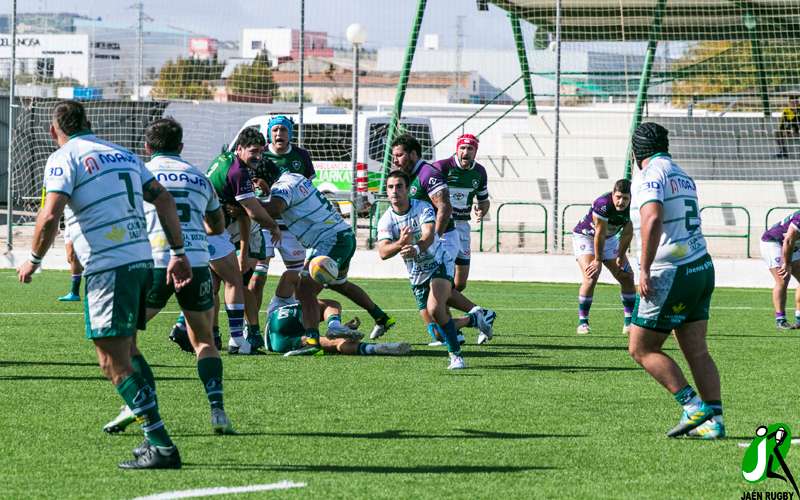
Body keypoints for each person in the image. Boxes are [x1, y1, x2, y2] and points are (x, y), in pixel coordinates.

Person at [17, 100, 189, 468]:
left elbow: (50, 214)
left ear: (54, 131)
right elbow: (164, 200)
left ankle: (161, 444)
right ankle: (152, 440)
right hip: (142, 260)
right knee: (129, 350)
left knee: (111, 361)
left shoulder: (65, 157)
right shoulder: (122, 153)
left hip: (109, 265)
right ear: (89, 123)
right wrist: (178, 250)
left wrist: (32, 260)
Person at [102, 118, 235, 437]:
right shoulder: (199, 177)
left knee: (126, 339)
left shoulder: (138, 173)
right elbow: (218, 225)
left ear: (147, 147)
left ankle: (136, 404)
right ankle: (217, 410)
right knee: (203, 339)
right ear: (181, 147)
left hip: (153, 262)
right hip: (198, 262)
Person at [257, 116, 396, 339]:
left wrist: (247, 204)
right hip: (340, 235)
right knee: (339, 284)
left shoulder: (282, 186)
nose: (256, 186)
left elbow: (274, 208)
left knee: (304, 289)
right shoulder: (294, 177)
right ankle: (381, 317)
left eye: (256, 182)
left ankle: (312, 339)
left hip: (330, 240)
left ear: (263, 180)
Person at [628, 122, 724, 439]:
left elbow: (652, 217)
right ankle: (715, 423)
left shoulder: (649, 175)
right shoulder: (682, 173)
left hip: (672, 270)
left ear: (636, 151)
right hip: (701, 266)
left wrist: (643, 268)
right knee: (697, 350)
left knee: (641, 348)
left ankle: (693, 406)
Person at [169, 127, 280, 355]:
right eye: (253, 151)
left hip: (202, 226)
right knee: (234, 281)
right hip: (212, 229)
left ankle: (195, 329)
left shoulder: (224, 159)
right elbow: (252, 212)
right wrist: (273, 225)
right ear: (239, 148)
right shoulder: (239, 172)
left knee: (213, 284)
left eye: (261, 152)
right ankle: (237, 340)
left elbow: (242, 213)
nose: (258, 156)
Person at [390, 133, 496, 345]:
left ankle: (478, 316)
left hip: (444, 237)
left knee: (444, 286)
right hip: (431, 239)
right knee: (436, 299)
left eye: (399, 155)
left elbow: (444, 206)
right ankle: (462, 327)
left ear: (412, 154)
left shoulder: (428, 172)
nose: (395, 160)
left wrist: (434, 237)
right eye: (394, 156)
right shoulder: (411, 175)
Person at [378, 170, 484, 370]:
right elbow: (383, 252)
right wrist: (400, 243)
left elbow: (428, 235)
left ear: (408, 189)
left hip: (438, 262)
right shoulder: (386, 219)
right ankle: (474, 318)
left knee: (436, 309)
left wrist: (416, 247)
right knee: (435, 330)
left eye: (399, 186)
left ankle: (456, 356)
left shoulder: (423, 207)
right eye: (390, 187)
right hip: (417, 273)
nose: (395, 191)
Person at [571, 179, 636, 335]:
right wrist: (598, 260)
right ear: (613, 194)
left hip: (610, 239)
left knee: (627, 276)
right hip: (586, 237)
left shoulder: (635, 206)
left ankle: (629, 323)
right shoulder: (603, 204)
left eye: (625, 198)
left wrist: (620, 255)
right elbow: (599, 234)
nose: (621, 202)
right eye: (618, 197)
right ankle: (583, 323)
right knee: (591, 275)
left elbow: (627, 233)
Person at [434, 134, 490, 293]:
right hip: (444, 227)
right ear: (457, 150)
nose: (466, 152)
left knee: (460, 283)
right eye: (462, 148)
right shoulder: (443, 167)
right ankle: (438, 310)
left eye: (470, 148)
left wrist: (481, 210)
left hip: (463, 227)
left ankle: (442, 306)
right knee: (443, 276)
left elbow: (484, 200)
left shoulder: (479, 172)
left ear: (475, 152)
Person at [266, 295, 411, 356]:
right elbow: (289, 276)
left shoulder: (277, 303)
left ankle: (374, 348)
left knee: (335, 343)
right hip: (287, 319)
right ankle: (334, 325)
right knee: (331, 304)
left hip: (275, 335)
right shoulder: (291, 298)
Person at [760, 210, 800, 330]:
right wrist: (787, 264)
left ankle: (799, 318)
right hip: (774, 242)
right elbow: (788, 239)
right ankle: (780, 320)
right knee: (783, 278)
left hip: (794, 243)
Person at [57, 226, 84, 301]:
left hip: (80, 224)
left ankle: (75, 292)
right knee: (71, 258)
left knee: (73, 255)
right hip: (69, 224)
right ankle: (75, 293)